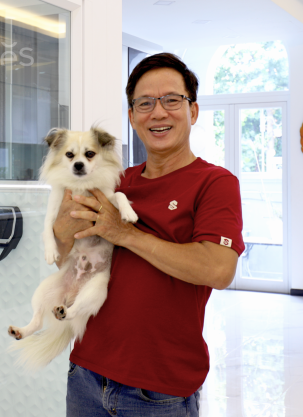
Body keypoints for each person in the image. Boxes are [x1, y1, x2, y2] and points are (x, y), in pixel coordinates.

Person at [52, 53, 245, 416]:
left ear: (193, 111)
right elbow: (71, 260)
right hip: (86, 373)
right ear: (132, 116)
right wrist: (61, 235)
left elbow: (219, 270)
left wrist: (126, 234)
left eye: (171, 100)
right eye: (144, 103)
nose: (158, 113)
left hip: (158, 389)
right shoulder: (114, 181)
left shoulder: (214, 183)